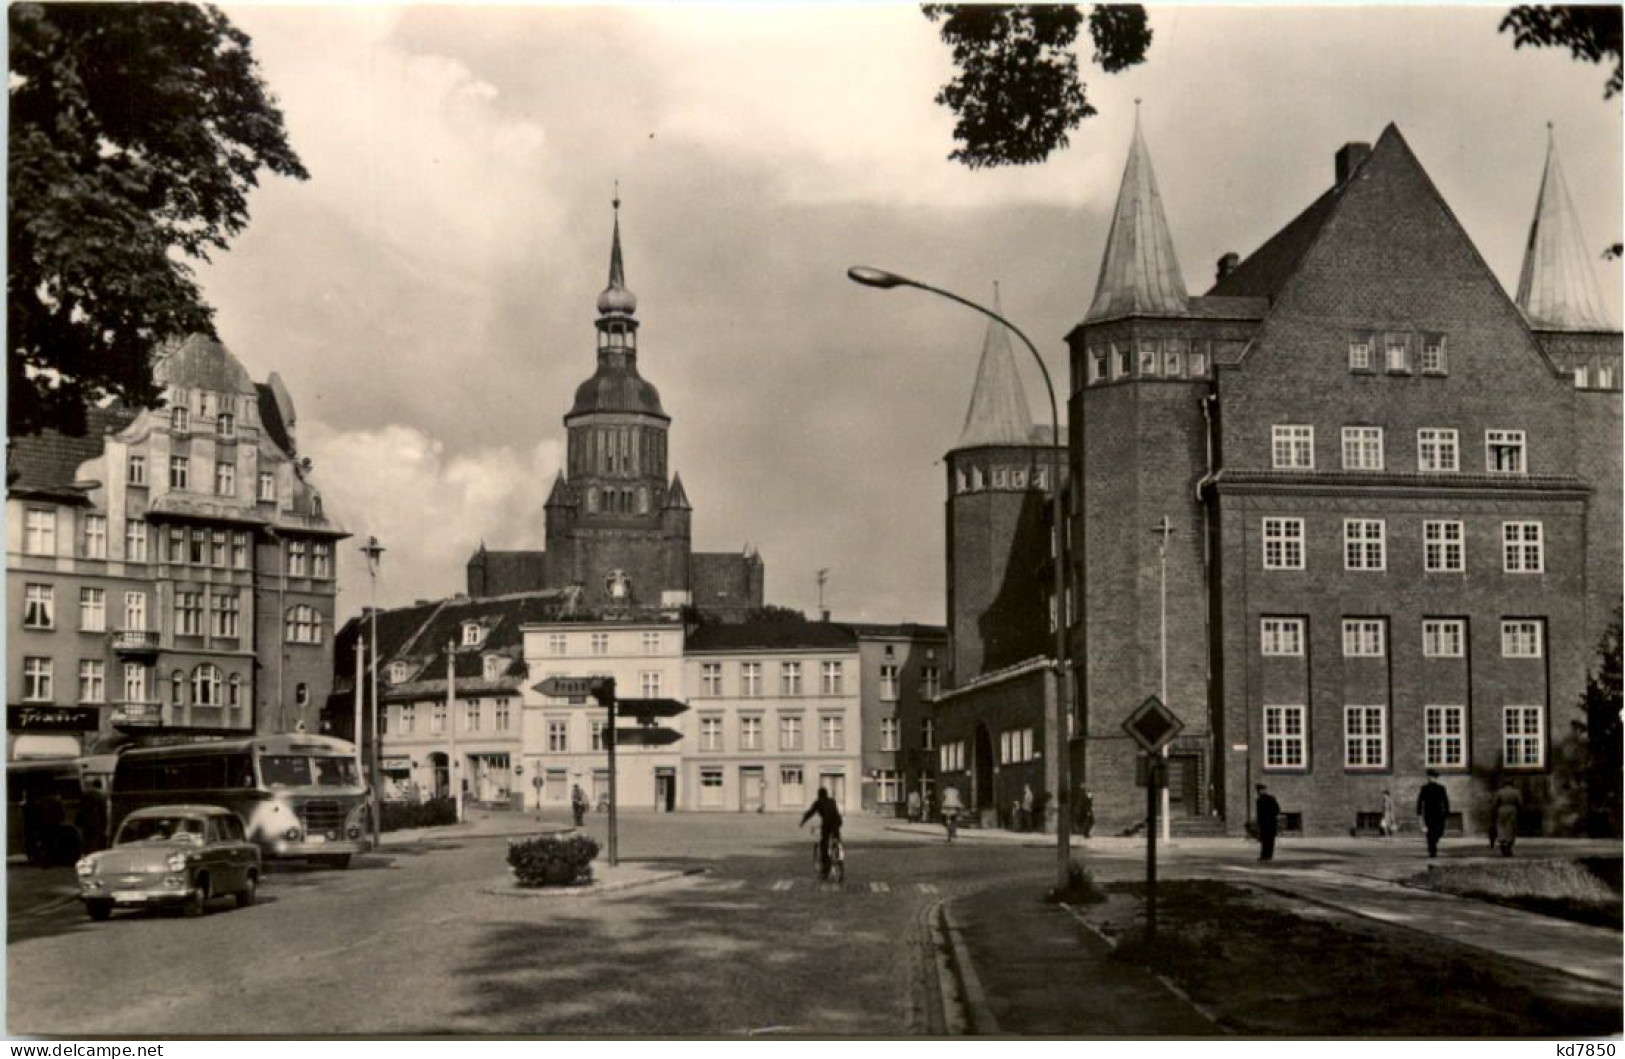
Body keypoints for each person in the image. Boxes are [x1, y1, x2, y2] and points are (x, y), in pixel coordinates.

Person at [799, 787, 843, 877]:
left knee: (824, 846)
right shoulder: (832, 801)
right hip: (837, 822)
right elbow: (835, 812)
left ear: (819, 795)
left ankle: (825, 870)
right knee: (836, 840)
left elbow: (810, 813)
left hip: (827, 824)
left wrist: (803, 821)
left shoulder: (818, 802)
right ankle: (839, 859)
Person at [1416, 770, 1450, 858]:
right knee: (1430, 832)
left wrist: (1447, 812)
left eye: (1431, 777)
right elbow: (1420, 801)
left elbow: (1445, 801)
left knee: (1439, 831)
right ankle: (1432, 849)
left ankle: (1433, 844)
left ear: (1435, 778)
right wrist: (1419, 812)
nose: (1429, 779)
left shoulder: (1441, 788)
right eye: (1429, 777)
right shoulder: (1424, 788)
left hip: (1439, 813)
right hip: (1429, 813)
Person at [1492, 779, 1523, 857]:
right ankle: (1509, 846)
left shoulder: (1499, 792)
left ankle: (1502, 843)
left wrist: (1495, 811)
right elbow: (1520, 803)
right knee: (1511, 828)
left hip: (1501, 809)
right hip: (1512, 809)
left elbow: (1495, 803)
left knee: (1501, 827)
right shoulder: (1516, 792)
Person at [1255, 783, 1281, 861]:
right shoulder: (1272, 798)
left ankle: (1264, 855)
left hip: (1265, 823)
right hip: (1271, 822)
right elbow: (1277, 810)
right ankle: (1269, 855)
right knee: (1270, 840)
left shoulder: (1260, 800)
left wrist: (1259, 822)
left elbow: (1260, 813)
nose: (1258, 792)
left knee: (1265, 840)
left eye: (1259, 791)